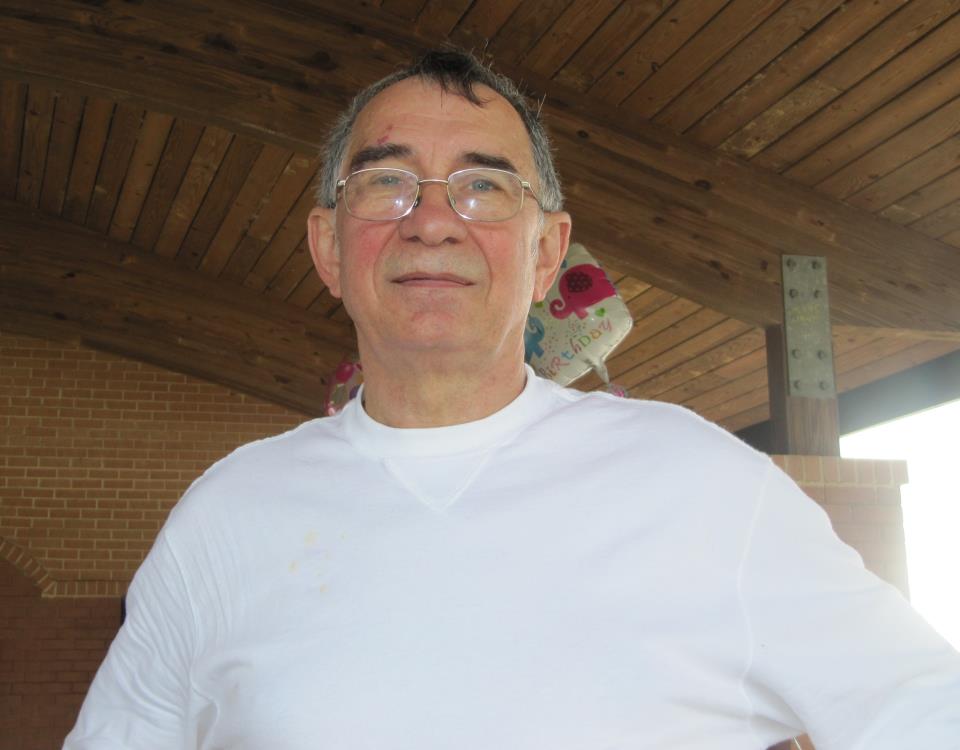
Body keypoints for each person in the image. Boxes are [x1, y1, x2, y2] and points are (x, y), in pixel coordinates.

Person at [64, 49, 960, 750]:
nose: (432, 220)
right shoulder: (226, 516)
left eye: (484, 186)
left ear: (545, 253)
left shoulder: (702, 484)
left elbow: (920, 708)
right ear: (329, 247)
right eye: (386, 181)